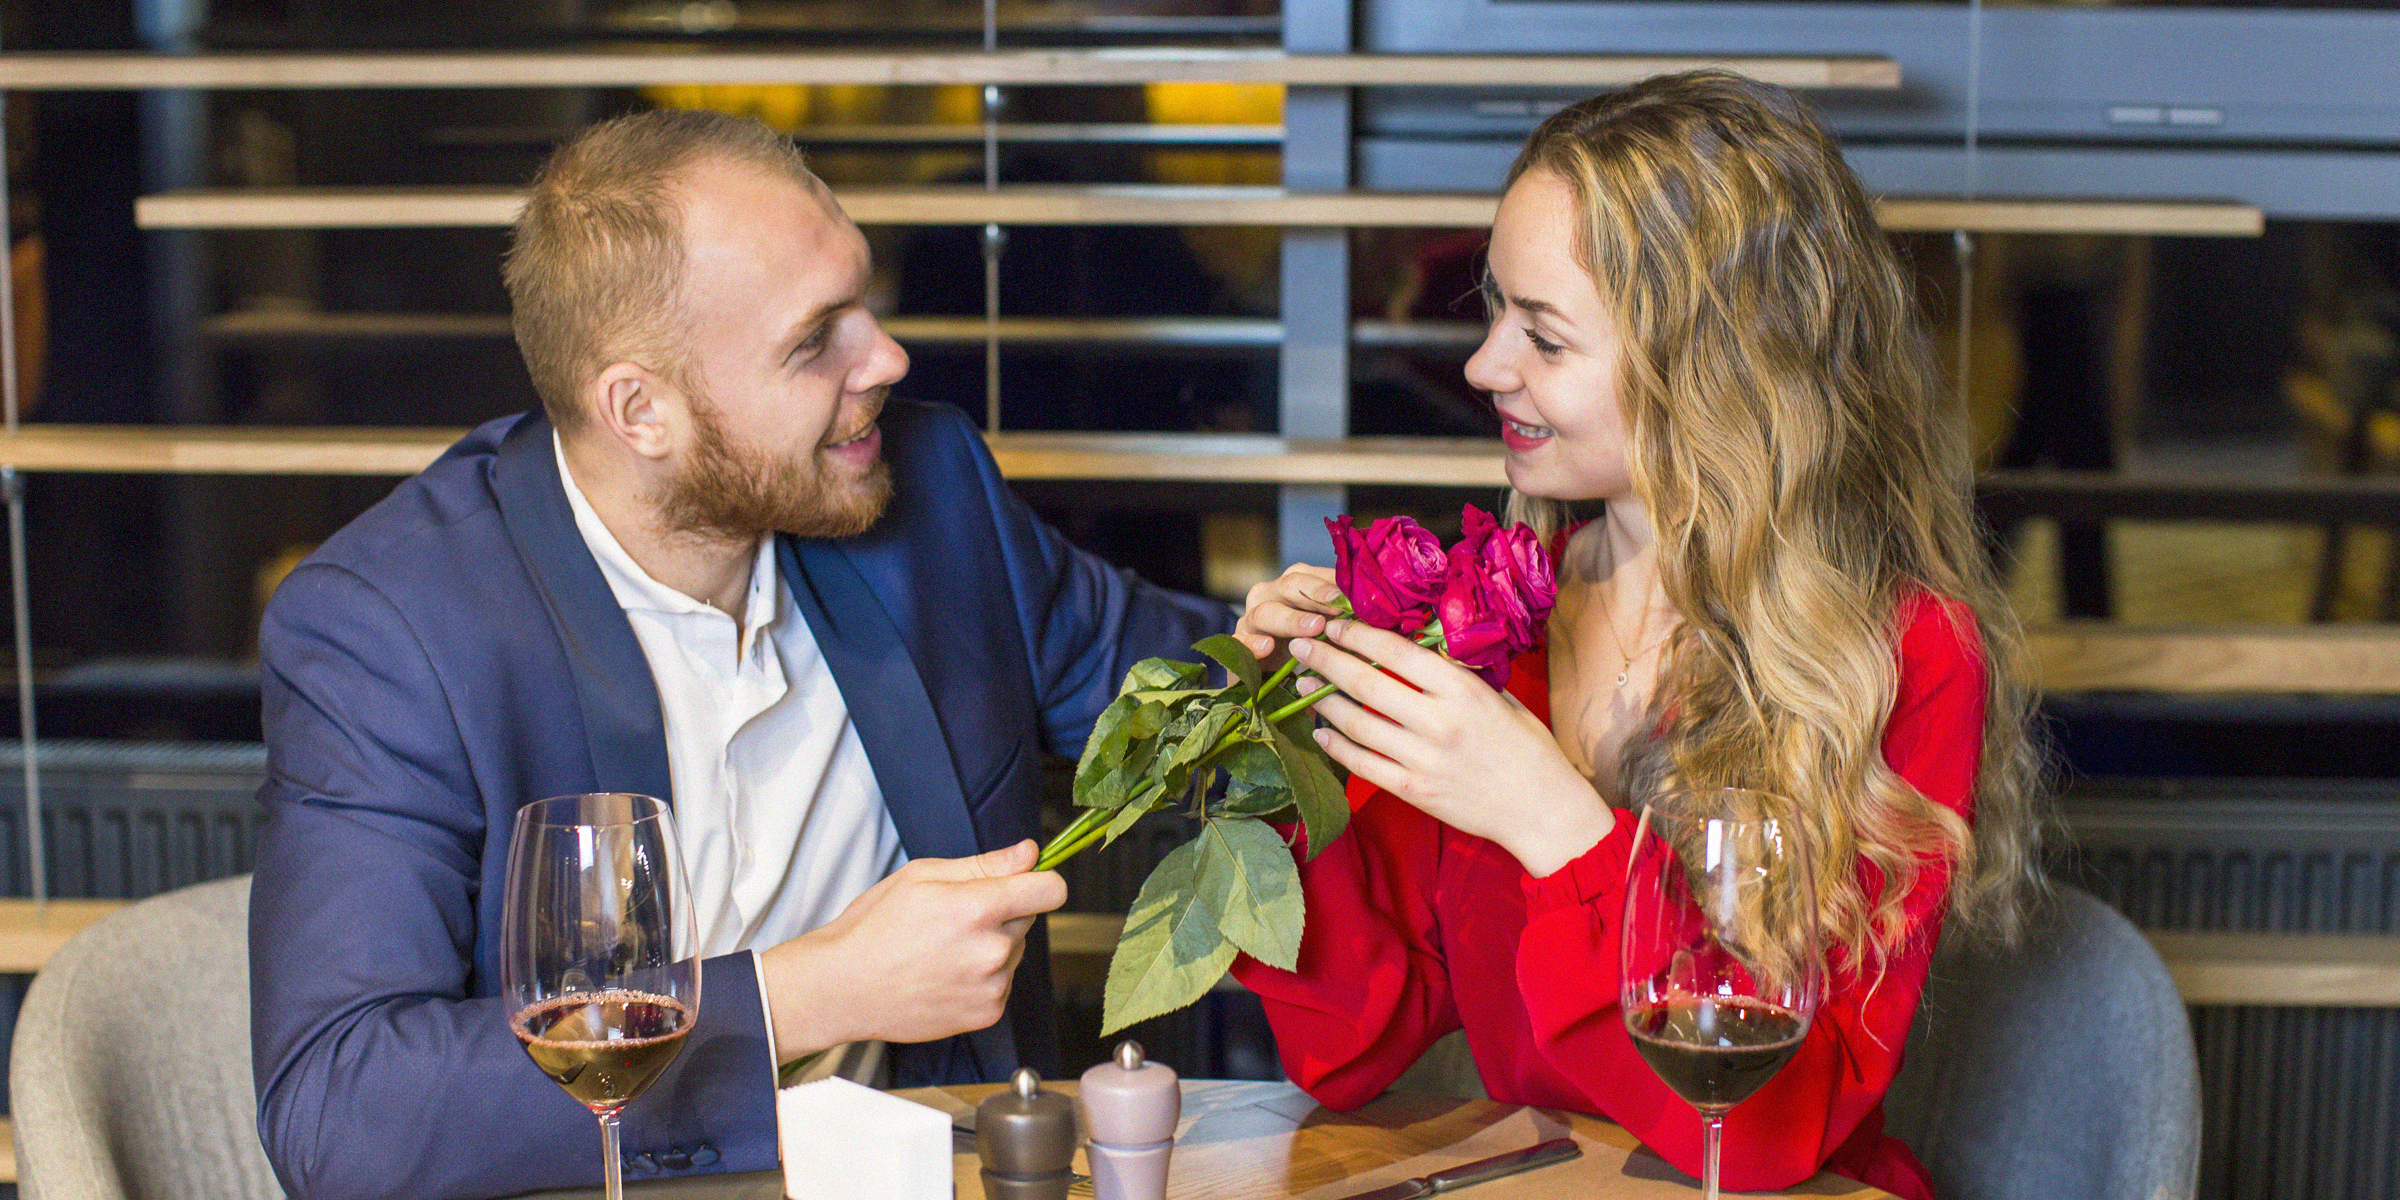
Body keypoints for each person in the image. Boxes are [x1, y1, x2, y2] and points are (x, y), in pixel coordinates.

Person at [248, 109, 1230, 1200]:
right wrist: (814, 994)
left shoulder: (930, 494)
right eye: (816, 340)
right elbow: (341, 1112)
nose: (888, 358)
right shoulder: (393, 629)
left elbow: (1193, 704)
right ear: (641, 410)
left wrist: (1343, 645)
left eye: (868, 299)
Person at [1230, 71, 2044, 1200]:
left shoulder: (1901, 658)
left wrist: (1551, 821)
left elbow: (1765, 1138)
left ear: (1717, 365)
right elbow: (1350, 1045)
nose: (1483, 366)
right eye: (1494, 309)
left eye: (1546, 338)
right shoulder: (1495, 620)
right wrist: (1288, 756)